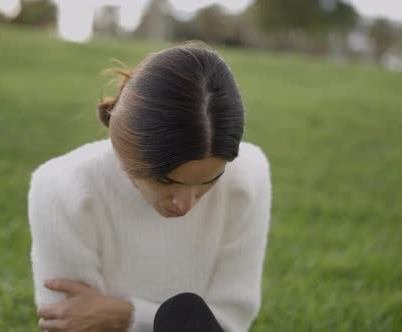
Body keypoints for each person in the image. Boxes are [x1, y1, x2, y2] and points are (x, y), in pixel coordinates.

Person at [28, 43, 272, 332]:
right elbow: (69, 323)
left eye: (208, 183)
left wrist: (128, 315)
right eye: (167, 182)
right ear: (126, 155)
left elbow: (228, 322)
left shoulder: (246, 177)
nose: (186, 204)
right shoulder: (63, 187)